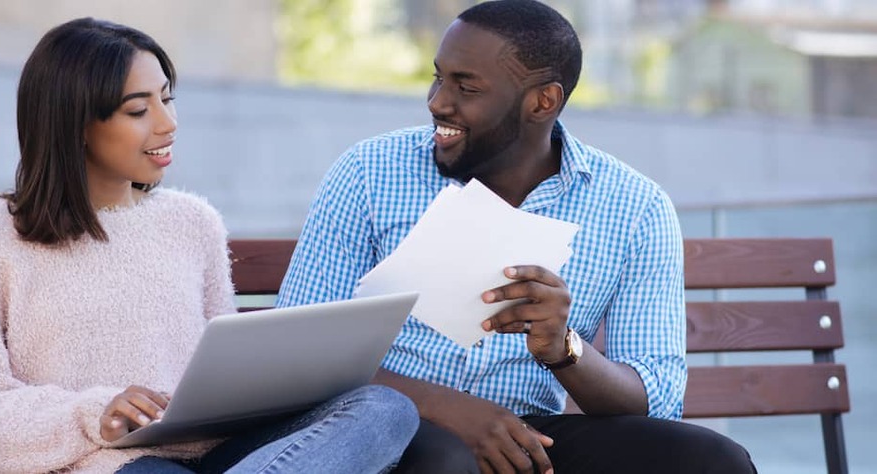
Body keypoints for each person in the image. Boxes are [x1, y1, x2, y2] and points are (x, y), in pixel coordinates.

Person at [0, 17, 418, 474]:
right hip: (98, 463)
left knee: (384, 409)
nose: (167, 123)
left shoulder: (192, 222)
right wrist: (95, 413)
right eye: (139, 109)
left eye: (167, 98)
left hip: (215, 451)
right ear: (75, 124)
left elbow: (220, 370)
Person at [277, 2, 757, 473]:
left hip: (526, 434)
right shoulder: (370, 170)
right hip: (380, 423)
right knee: (446, 457)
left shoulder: (635, 208)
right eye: (439, 77)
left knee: (713, 461)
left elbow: (654, 401)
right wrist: (446, 409)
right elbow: (297, 353)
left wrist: (563, 349)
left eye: (466, 87)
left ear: (542, 101)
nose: (438, 101)